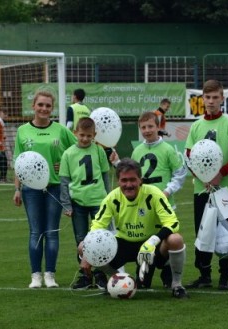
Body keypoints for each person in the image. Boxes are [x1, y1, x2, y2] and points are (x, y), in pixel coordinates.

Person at [78, 158, 188, 298]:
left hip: (151, 247)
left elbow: (172, 222)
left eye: (132, 180)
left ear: (140, 180)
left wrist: (153, 241)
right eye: (124, 180)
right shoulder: (112, 198)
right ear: (118, 181)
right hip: (124, 244)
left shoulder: (153, 193)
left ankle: (177, 285)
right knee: (83, 247)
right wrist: (87, 254)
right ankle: (116, 279)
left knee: (175, 239)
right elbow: (96, 227)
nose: (128, 185)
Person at [110, 111, 187, 288]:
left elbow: (179, 173)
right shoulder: (138, 150)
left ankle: (169, 274)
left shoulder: (168, 149)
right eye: (143, 127)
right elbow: (131, 175)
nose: (147, 130)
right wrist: (116, 163)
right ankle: (147, 271)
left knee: (166, 240)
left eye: (150, 126)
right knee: (147, 242)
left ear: (159, 127)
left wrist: (167, 191)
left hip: (164, 205)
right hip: (144, 206)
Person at [13, 91, 77, 288]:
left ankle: (50, 275)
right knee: (35, 232)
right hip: (30, 189)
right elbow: (18, 161)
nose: (44, 109)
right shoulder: (22, 131)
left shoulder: (60, 130)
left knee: (52, 232)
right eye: (40, 104)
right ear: (33, 106)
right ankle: (35, 276)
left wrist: (63, 165)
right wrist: (17, 189)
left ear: (52, 108)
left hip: (55, 187)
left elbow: (78, 149)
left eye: (48, 106)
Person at [185, 79, 228, 290]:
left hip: (225, 190)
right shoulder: (196, 126)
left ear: (222, 99)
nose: (210, 101)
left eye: (215, 97)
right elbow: (189, 156)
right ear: (202, 99)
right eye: (207, 97)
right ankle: (204, 274)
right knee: (203, 232)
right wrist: (202, 177)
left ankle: (225, 275)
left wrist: (221, 174)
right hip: (202, 189)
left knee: (227, 233)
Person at [59, 117, 111, 290]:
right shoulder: (68, 154)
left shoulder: (99, 151)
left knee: (100, 239)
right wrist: (66, 204)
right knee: (81, 240)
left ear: (94, 135)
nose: (85, 139)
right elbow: (64, 181)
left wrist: (109, 199)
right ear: (75, 133)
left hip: (99, 201)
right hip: (78, 203)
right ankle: (85, 276)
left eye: (89, 136)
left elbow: (105, 176)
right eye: (82, 135)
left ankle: (100, 273)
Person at [0, 110, 8, 182]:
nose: (6, 116)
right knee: (3, 161)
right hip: (0, 147)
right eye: (4, 113)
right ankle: (3, 178)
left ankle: (2, 177)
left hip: (1, 146)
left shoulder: (1, 122)